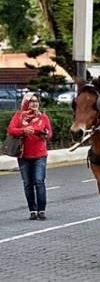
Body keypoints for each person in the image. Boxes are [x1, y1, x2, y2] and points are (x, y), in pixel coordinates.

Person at [7, 92, 52, 220]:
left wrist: (43, 133)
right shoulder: (19, 116)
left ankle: (41, 210)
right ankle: (32, 210)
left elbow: (49, 134)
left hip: (40, 155)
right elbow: (11, 130)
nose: (34, 103)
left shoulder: (43, 117)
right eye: (31, 101)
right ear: (26, 102)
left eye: (36, 101)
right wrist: (24, 130)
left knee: (39, 181)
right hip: (23, 155)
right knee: (27, 183)